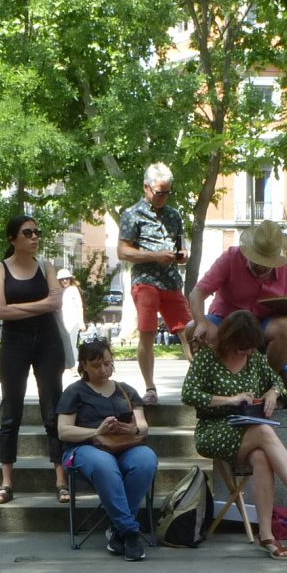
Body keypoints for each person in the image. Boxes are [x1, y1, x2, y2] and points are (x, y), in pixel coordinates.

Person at [180, 311, 287, 560]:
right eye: (242, 348)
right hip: (213, 429)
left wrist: (273, 392)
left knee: (262, 457)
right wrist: (230, 399)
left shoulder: (255, 359)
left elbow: (277, 381)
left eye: (251, 348)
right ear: (229, 340)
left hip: (246, 428)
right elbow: (189, 394)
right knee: (263, 430)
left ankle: (267, 536)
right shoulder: (207, 357)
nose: (248, 353)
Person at [0, 215, 69, 505]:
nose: (35, 237)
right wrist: (41, 305)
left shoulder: (47, 267)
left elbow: (56, 302)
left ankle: (61, 480)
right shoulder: (0, 268)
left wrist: (18, 308)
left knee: (53, 411)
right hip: (14, 345)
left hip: (48, 342)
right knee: (11, 412)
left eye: (37, 232)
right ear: (12, 239)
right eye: (27, 233)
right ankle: (6, 482)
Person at [56, 339, 158, 561]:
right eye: (96, 365)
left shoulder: (125, 390)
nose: (103, 369)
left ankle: (118, 528)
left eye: (107, 363)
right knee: (104, 464)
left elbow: (143, 426)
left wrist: (133, 429)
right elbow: (63, 431)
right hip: (83, 448)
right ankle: (130, 532)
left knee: (146, 459)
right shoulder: (75, 391)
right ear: (84, 365)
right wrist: (96, 431)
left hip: (124, 445)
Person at [187, 220, 287, 377]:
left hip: (263, 328)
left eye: (266, 262)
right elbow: (197, 293)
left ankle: (266, 381)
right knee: (192, 328)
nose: (260, 266)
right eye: (257, 259)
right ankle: (214, 382)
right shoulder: (231, 258)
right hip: (224, 322)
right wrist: (200, 323)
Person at [117, 162, 192, 403]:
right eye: (160, 192)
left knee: (190, 332)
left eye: (167, 192)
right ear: (146, 188)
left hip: (171, 281)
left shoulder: (174, 215)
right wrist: (154, 256)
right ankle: (150, 388)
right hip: (145, 281)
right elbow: (123, 251)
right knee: (147, 332)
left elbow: (181, 245)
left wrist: (182, 255)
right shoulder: (132, 214)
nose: (163, 197)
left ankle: (201, 381)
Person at [58, 267, 86, 368]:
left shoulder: (73, 289)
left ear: (70, 279)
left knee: (72, 344)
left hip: (73, 322)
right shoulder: (58, 291)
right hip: (62, 323)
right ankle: (67, 365)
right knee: (63, 345)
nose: (65, 281)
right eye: (62, 279)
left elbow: (79, 306)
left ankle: (75, 366)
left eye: (67, 278)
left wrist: (81, 322)